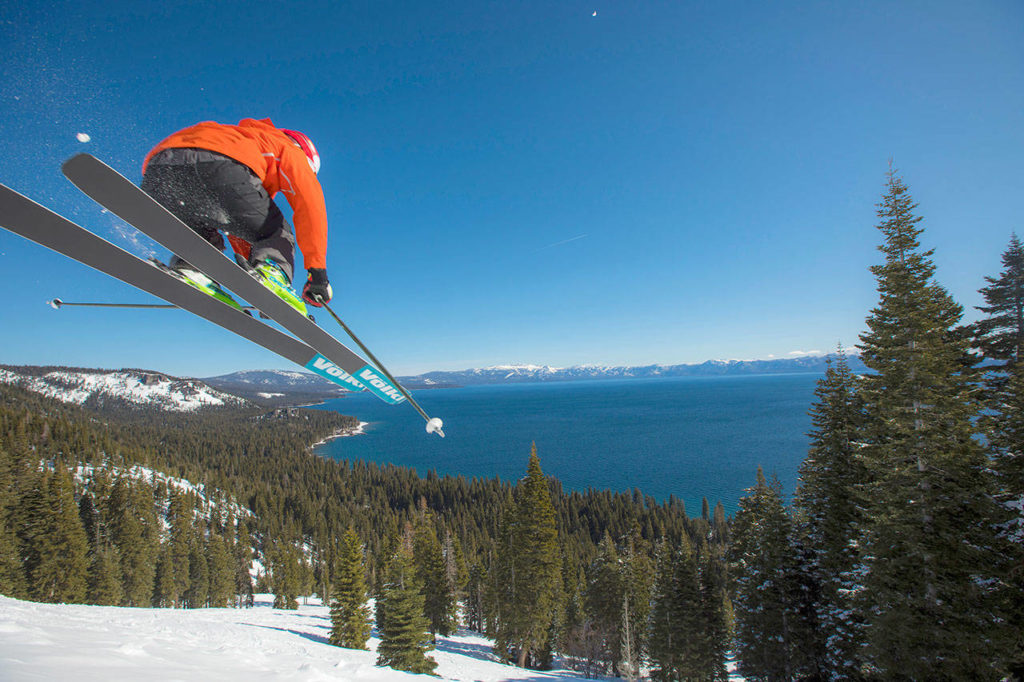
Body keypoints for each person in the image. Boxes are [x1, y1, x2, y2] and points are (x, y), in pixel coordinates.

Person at [140, 118, 333, 312]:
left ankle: (193, 268)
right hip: (221, 165)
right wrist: (317, 274)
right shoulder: (288, 148)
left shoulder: (243, 138)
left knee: (203, 225)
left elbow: (238, 225)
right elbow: (309, 207)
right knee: (277, 231)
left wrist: (252, 277)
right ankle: (273, 273)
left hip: (158, 172)